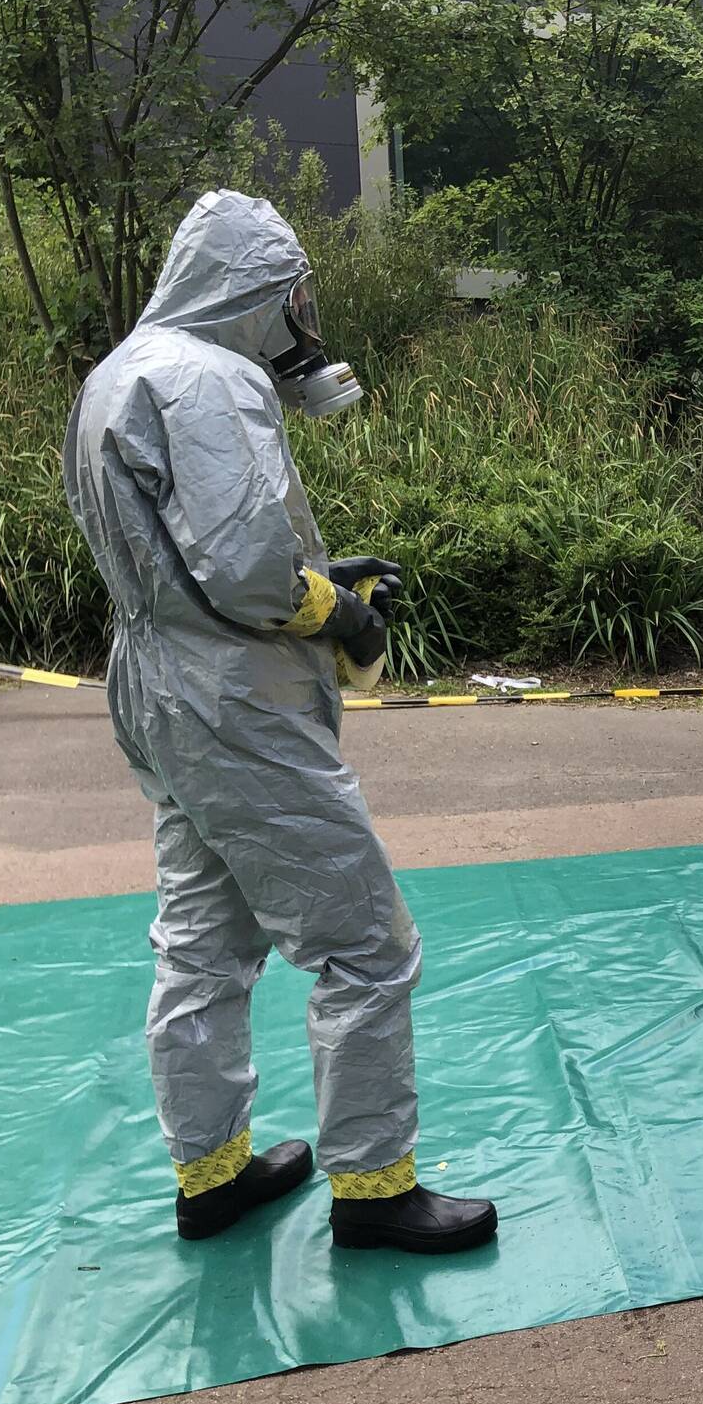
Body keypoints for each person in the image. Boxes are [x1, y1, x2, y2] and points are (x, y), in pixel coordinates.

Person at [62, 189, 497, 1251]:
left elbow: (181, 555)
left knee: (203, 938)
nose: (301, 318)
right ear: (253, 288)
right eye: (291, 294)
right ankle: (375, 1191)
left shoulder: (120, 370)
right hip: (235, 695)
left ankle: (210, 1175)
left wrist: (303, 577)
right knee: (363, 943)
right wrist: (333, 607)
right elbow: (246, 564)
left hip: (155, 676)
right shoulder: (211, 378)